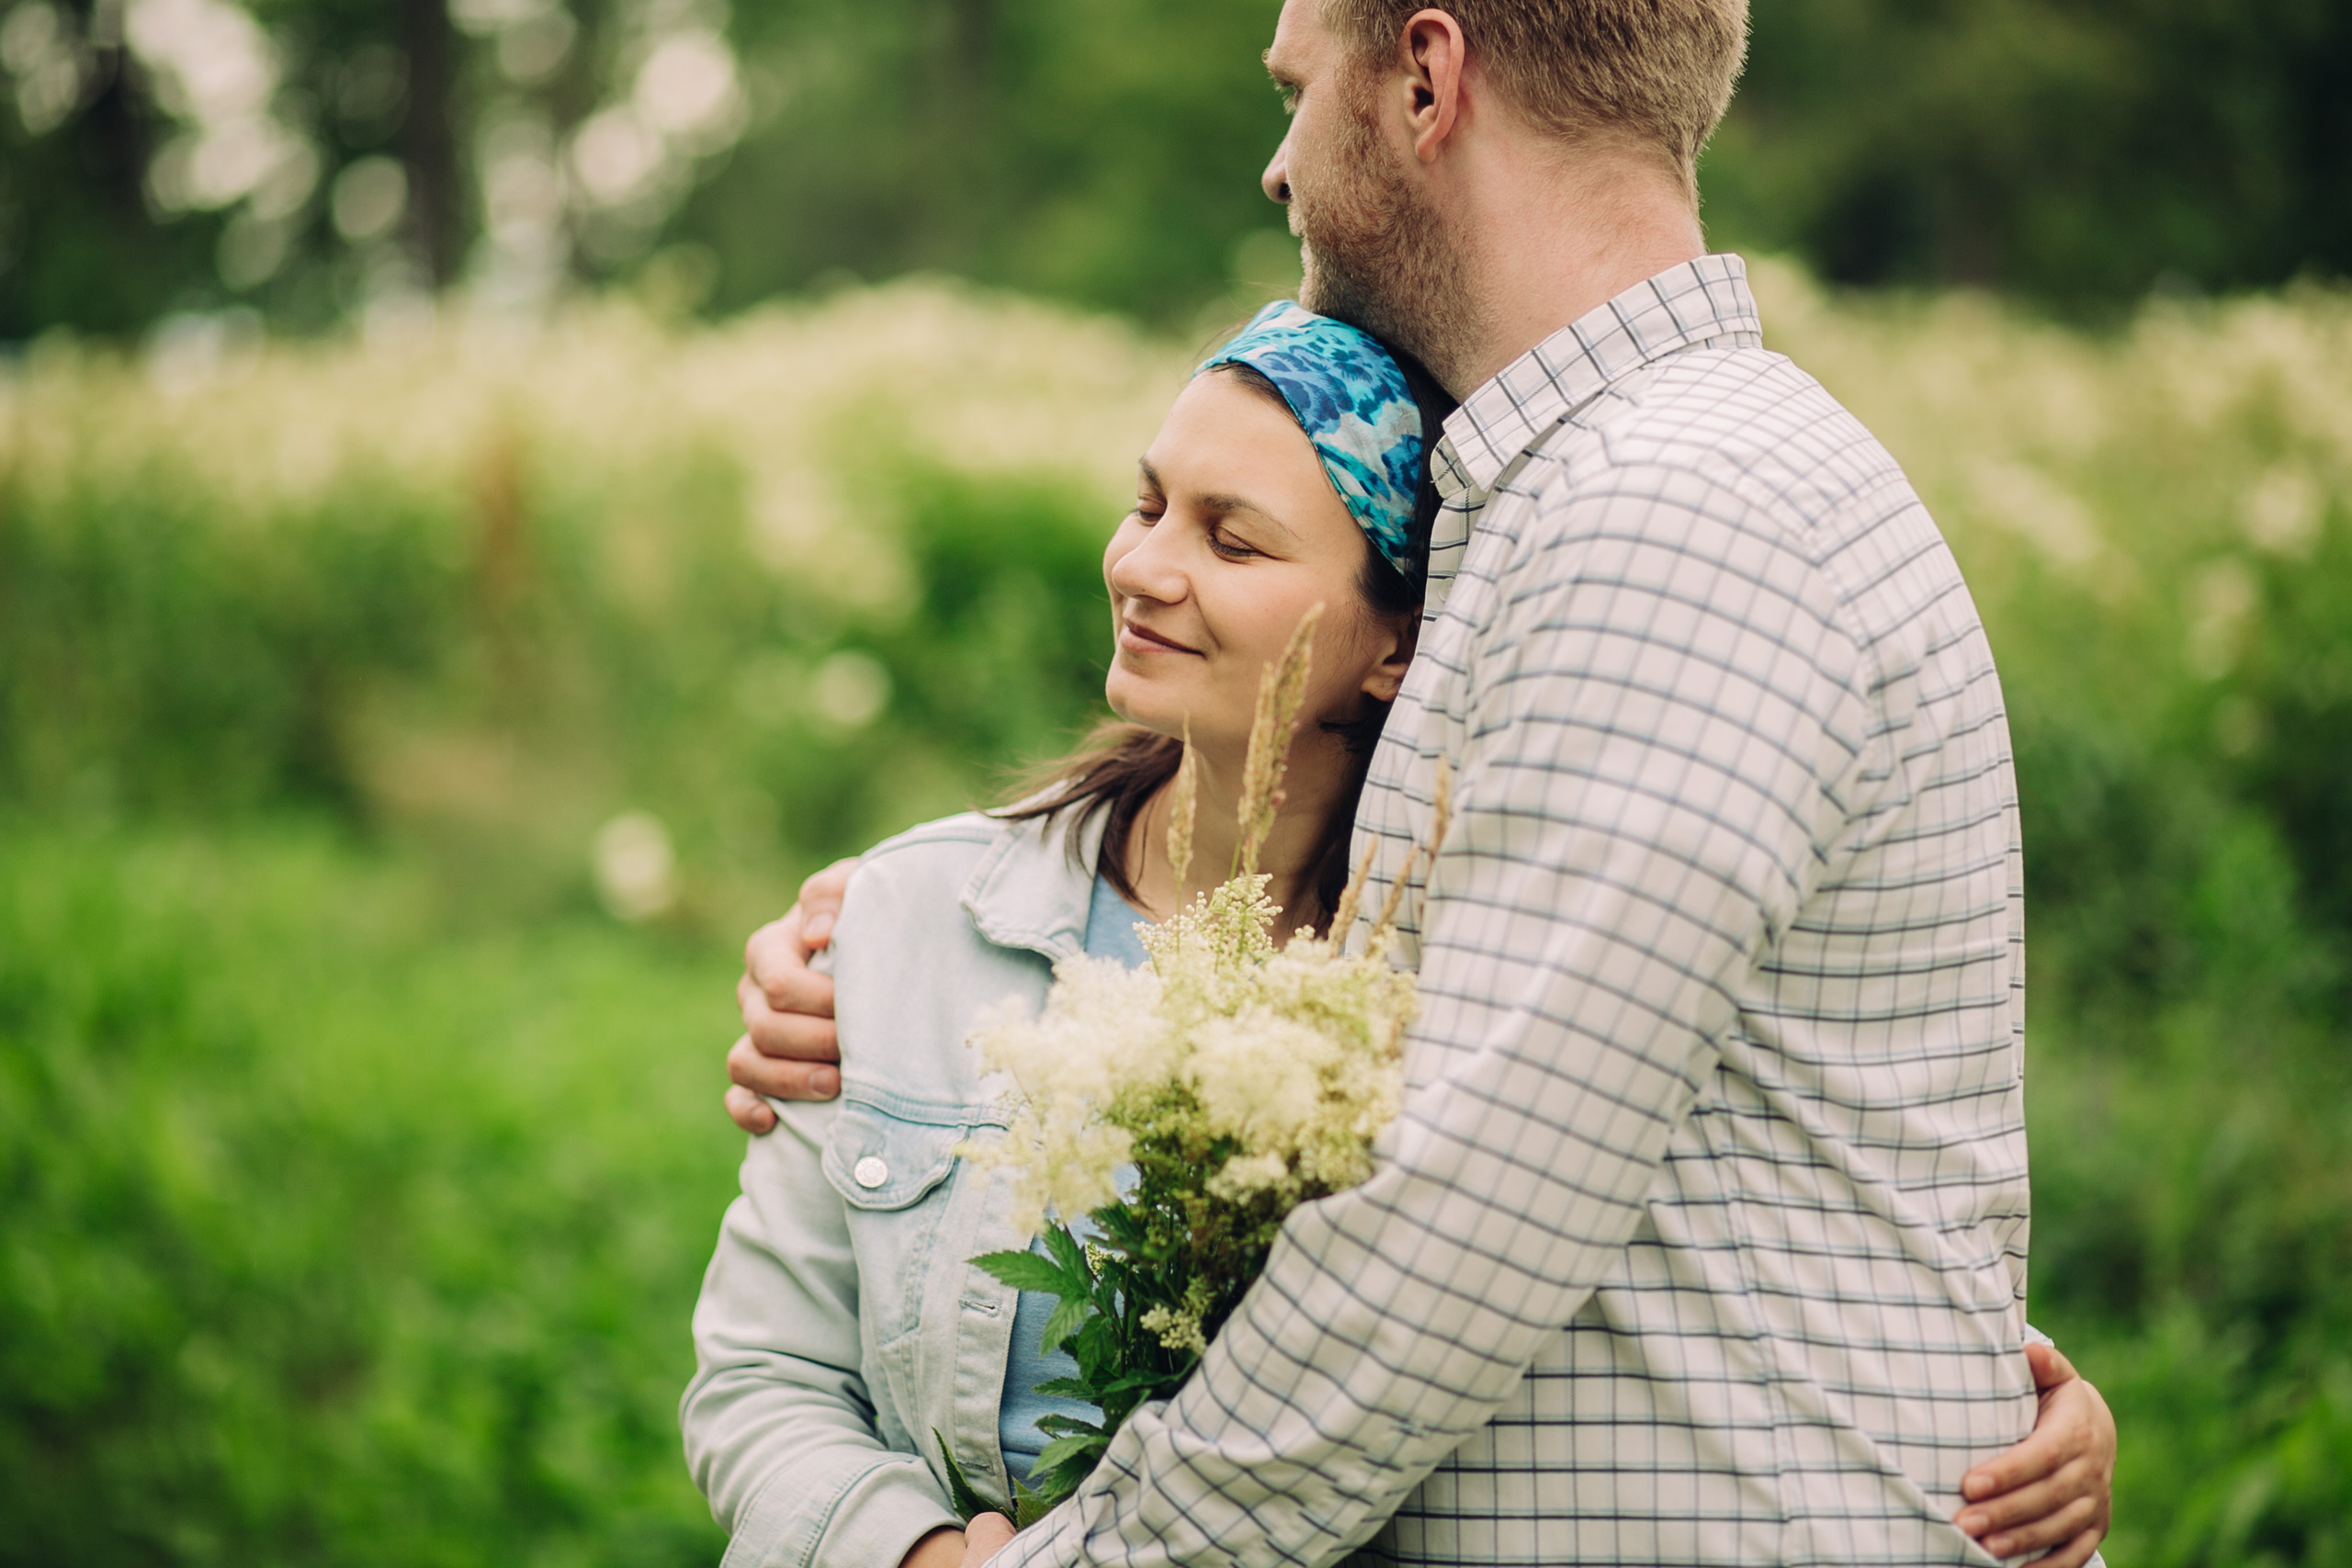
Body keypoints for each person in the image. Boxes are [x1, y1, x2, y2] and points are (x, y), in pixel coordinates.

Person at [719, 3, 2120, 1565]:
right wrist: (899, 944)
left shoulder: (1666, 512)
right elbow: (1696, 1114)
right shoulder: (1587, 497)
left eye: (1297, 90)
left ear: (1426, 76)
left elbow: (1461, 1215)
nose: (1278, 167)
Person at [684, 306, 1456, 1566]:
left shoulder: (1441, 992)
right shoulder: (911, 916)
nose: (1145, 567)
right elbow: (761, 1378)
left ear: (1395, 646)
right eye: (1148, 505)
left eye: (1234, 541)